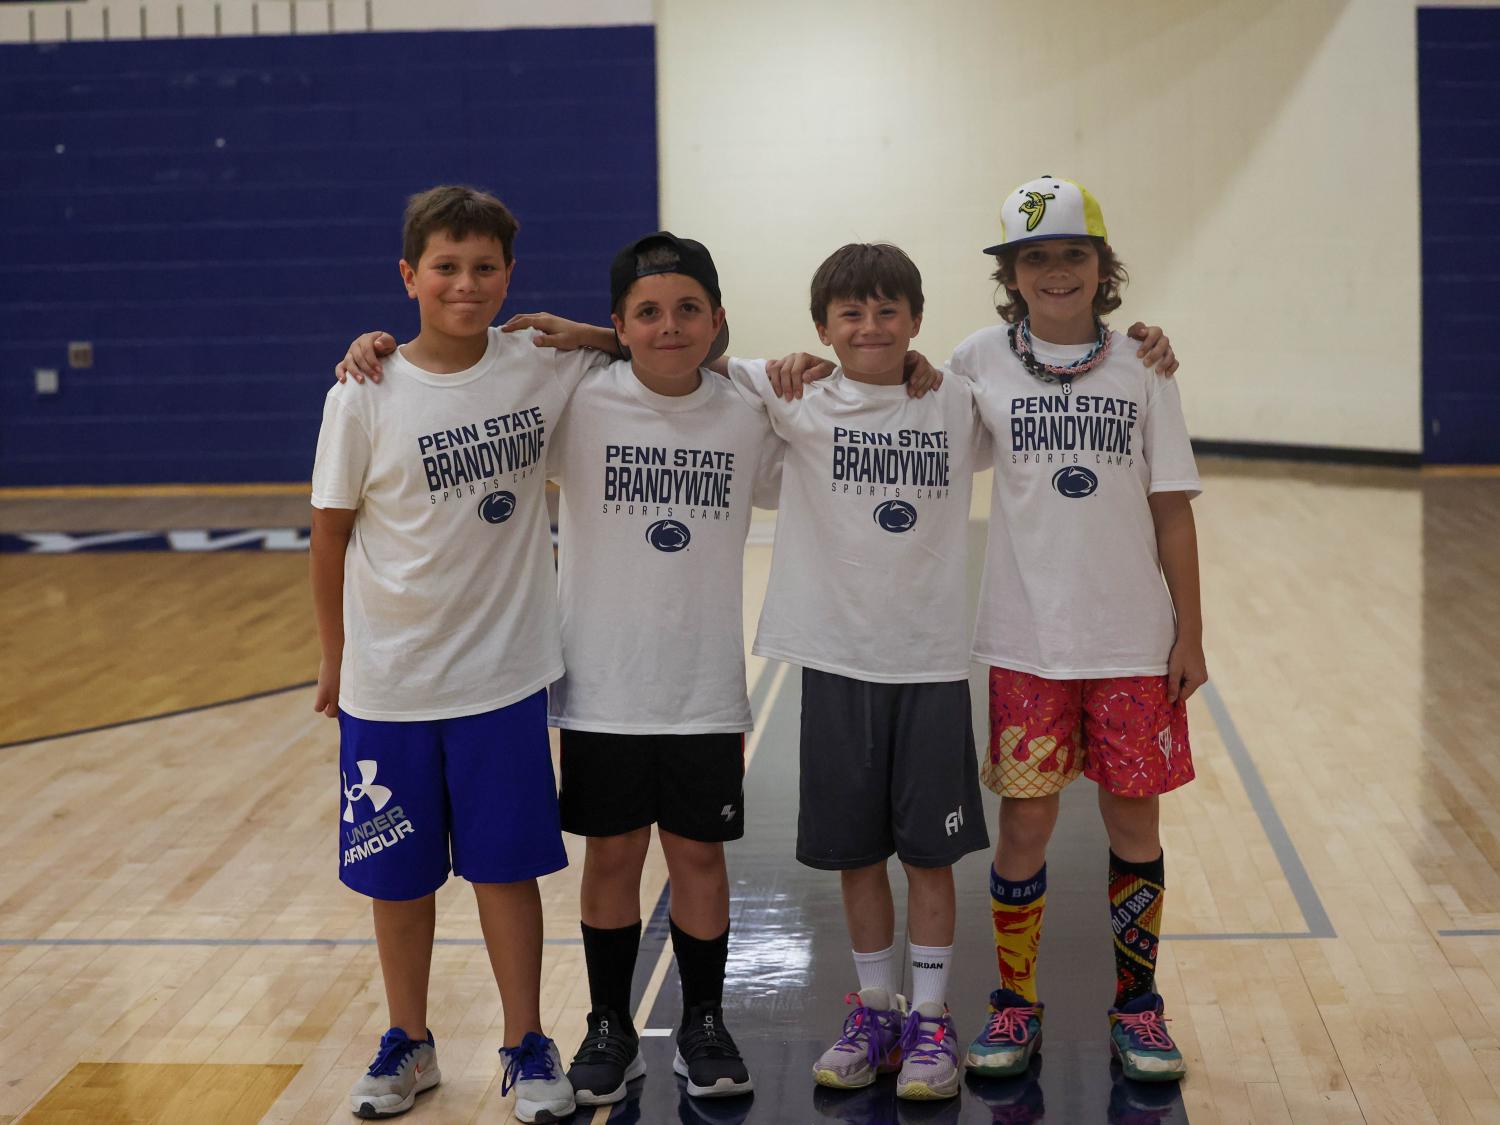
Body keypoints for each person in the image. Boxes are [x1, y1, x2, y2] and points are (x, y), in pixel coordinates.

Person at [333, 232, 780, 1106]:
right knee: (611, 854)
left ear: (718, 320)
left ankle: (703, 1021)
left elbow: (809, 400)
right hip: (600, 683)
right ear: (618, 323)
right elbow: (472, 379)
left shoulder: (744, 410)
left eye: (689, 309)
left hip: (705, 687)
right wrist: (377, 348)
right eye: (646, 313)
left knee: (698, 856)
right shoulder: (579, 396)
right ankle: (608, 1021)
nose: (669, 326)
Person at [310, 184, 600, 1123]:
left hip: (502, 678)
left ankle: (526, 1041)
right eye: (446, 267)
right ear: (409, 277)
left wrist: (587, 333)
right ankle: (411, 1040)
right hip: (389, 683)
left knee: (507, 873)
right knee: (398, 880)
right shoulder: (363, 391)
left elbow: (672, 344)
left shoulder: (538, 365)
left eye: (484, 268)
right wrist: (331, 659)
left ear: (510, 275)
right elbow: (327, 537)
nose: (465, 284)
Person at [951, 177, 1205, 1084]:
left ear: (1103, 267)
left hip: (1133, 641)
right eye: (1035, 256)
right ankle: (1013, 1002)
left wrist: (1190, 634)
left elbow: (1172, 508)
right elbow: (899, 411)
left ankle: (1139, 1004)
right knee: (1026, 825)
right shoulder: (977, 358)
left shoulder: (1146, 365)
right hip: (1028, 640)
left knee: (1134, 820)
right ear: (1011, 274)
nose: (1055, 270)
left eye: (1072, 253)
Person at [725, 243, 994, 1102]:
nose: (870, 328)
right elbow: (678, 350)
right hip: (837, 663)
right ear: (821, 328)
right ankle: (874, 1004)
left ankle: (930, 1016)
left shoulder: (956, 402)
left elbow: (1047, 382)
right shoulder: (795, 395)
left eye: (888, 312)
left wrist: (1140, 343)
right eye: (851, 314)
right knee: (855, 852)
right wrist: (588, 328)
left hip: (931, 666)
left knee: (930, 855)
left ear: (917, 321)